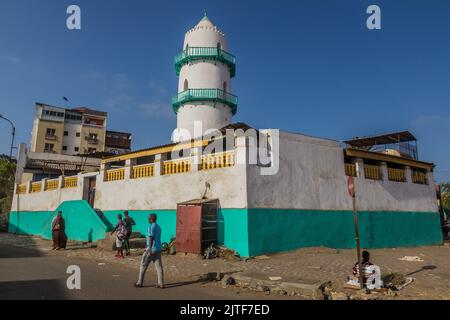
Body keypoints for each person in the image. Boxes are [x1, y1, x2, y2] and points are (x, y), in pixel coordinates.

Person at [135, 213, 164, 288]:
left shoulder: (151, 226)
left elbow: (151, 237)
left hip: (151, 249)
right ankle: (161, 283)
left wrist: (150, 249)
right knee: (159, 267)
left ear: (151, 219)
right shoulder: (158, 227)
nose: (148, 219)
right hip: (158, 249)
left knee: (143, 265)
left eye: (149, 218)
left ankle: (139, 282)